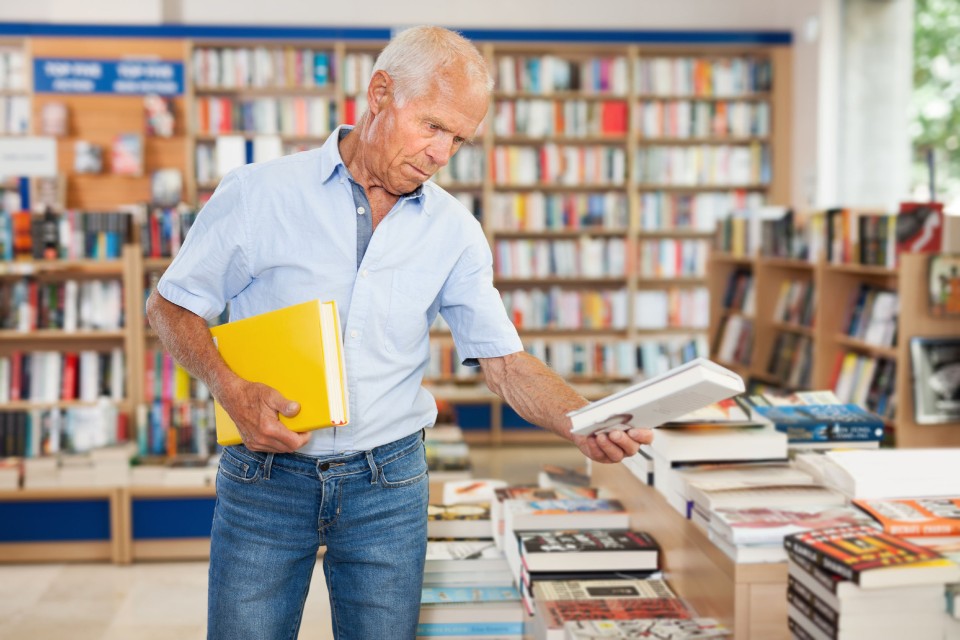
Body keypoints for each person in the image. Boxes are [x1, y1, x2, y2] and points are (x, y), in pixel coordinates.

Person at [145, 25, 653, 640]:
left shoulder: (455, 231)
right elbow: (170, 307)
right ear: (380, 94)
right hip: (265, 480)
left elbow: (504, 362)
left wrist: (580, 418)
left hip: (389, 487)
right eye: (434, 126)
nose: (442, 154)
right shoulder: (259, 194)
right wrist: (229, 386)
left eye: (459, 140)